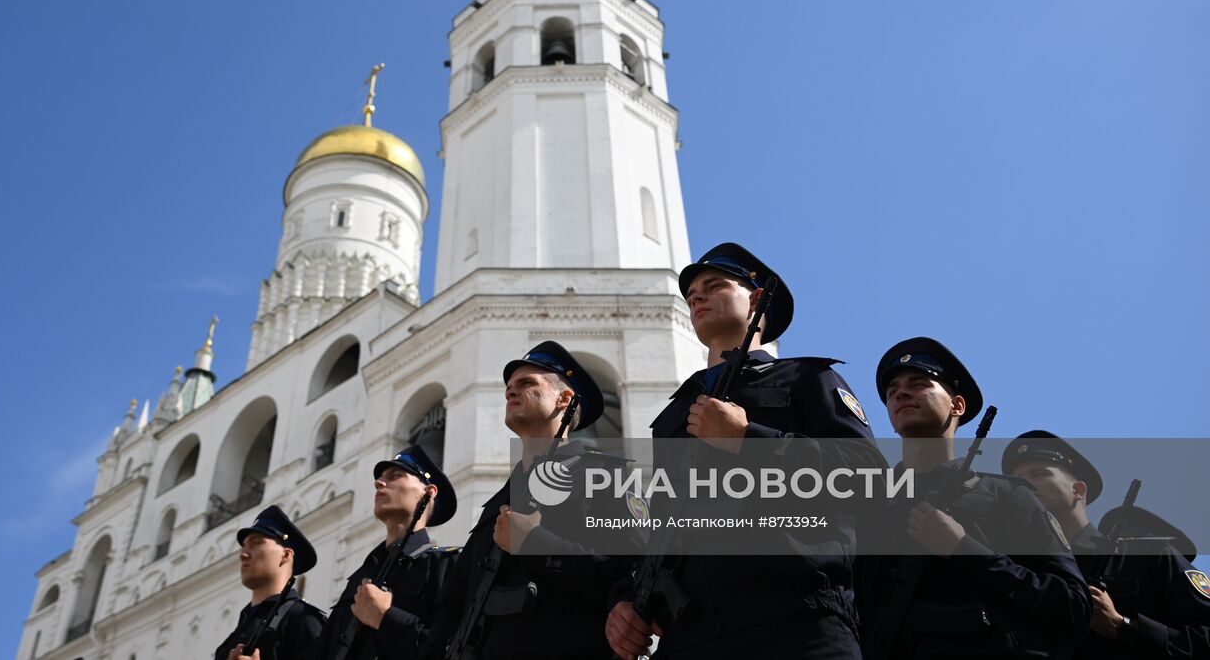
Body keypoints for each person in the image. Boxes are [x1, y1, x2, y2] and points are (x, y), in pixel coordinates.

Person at [605, 242, 885, 660]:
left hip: (795, 624)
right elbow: (661, 518)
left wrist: (748, 440)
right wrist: (626, 599)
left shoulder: (807, 379)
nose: (696, 296)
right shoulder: (673, 417)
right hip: (691, 637)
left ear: (756, 299)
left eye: (714, 285)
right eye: (691, 293)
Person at [857, 338, 1090, 659]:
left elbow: (1072, 608)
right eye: (892, 390)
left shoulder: (1007, 495)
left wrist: (963, 549)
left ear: (957, 406)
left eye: (919, 383)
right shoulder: (872, 503)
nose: (900, 393)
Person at [424, 340, 630, 660]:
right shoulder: (497, 504)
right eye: (508, 387)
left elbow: (627, 577)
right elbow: (453, 607)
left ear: (565, 399)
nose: (510, 392)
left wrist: (535, 543)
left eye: (527, 383)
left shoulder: (603, 477)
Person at [1004, 430, 1210, 658]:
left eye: (1039, 474)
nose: (1025, 486)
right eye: (1018, 482)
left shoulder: (1148, 556)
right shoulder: (1020, 570)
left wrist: (1125, 627)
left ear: (1078, 490)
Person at [318, 444, 459, 660]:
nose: (378, 483)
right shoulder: (359, 578)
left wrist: (386, 618)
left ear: (428, 492)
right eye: (380, 478)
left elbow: (455, 648)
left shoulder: (446, 566)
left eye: (396, 475)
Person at [215, 504, 327, 660]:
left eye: (256, 543)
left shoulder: (302, 620)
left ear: (285, 556)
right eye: (244, 547)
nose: (243, 555)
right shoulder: (233, 638)